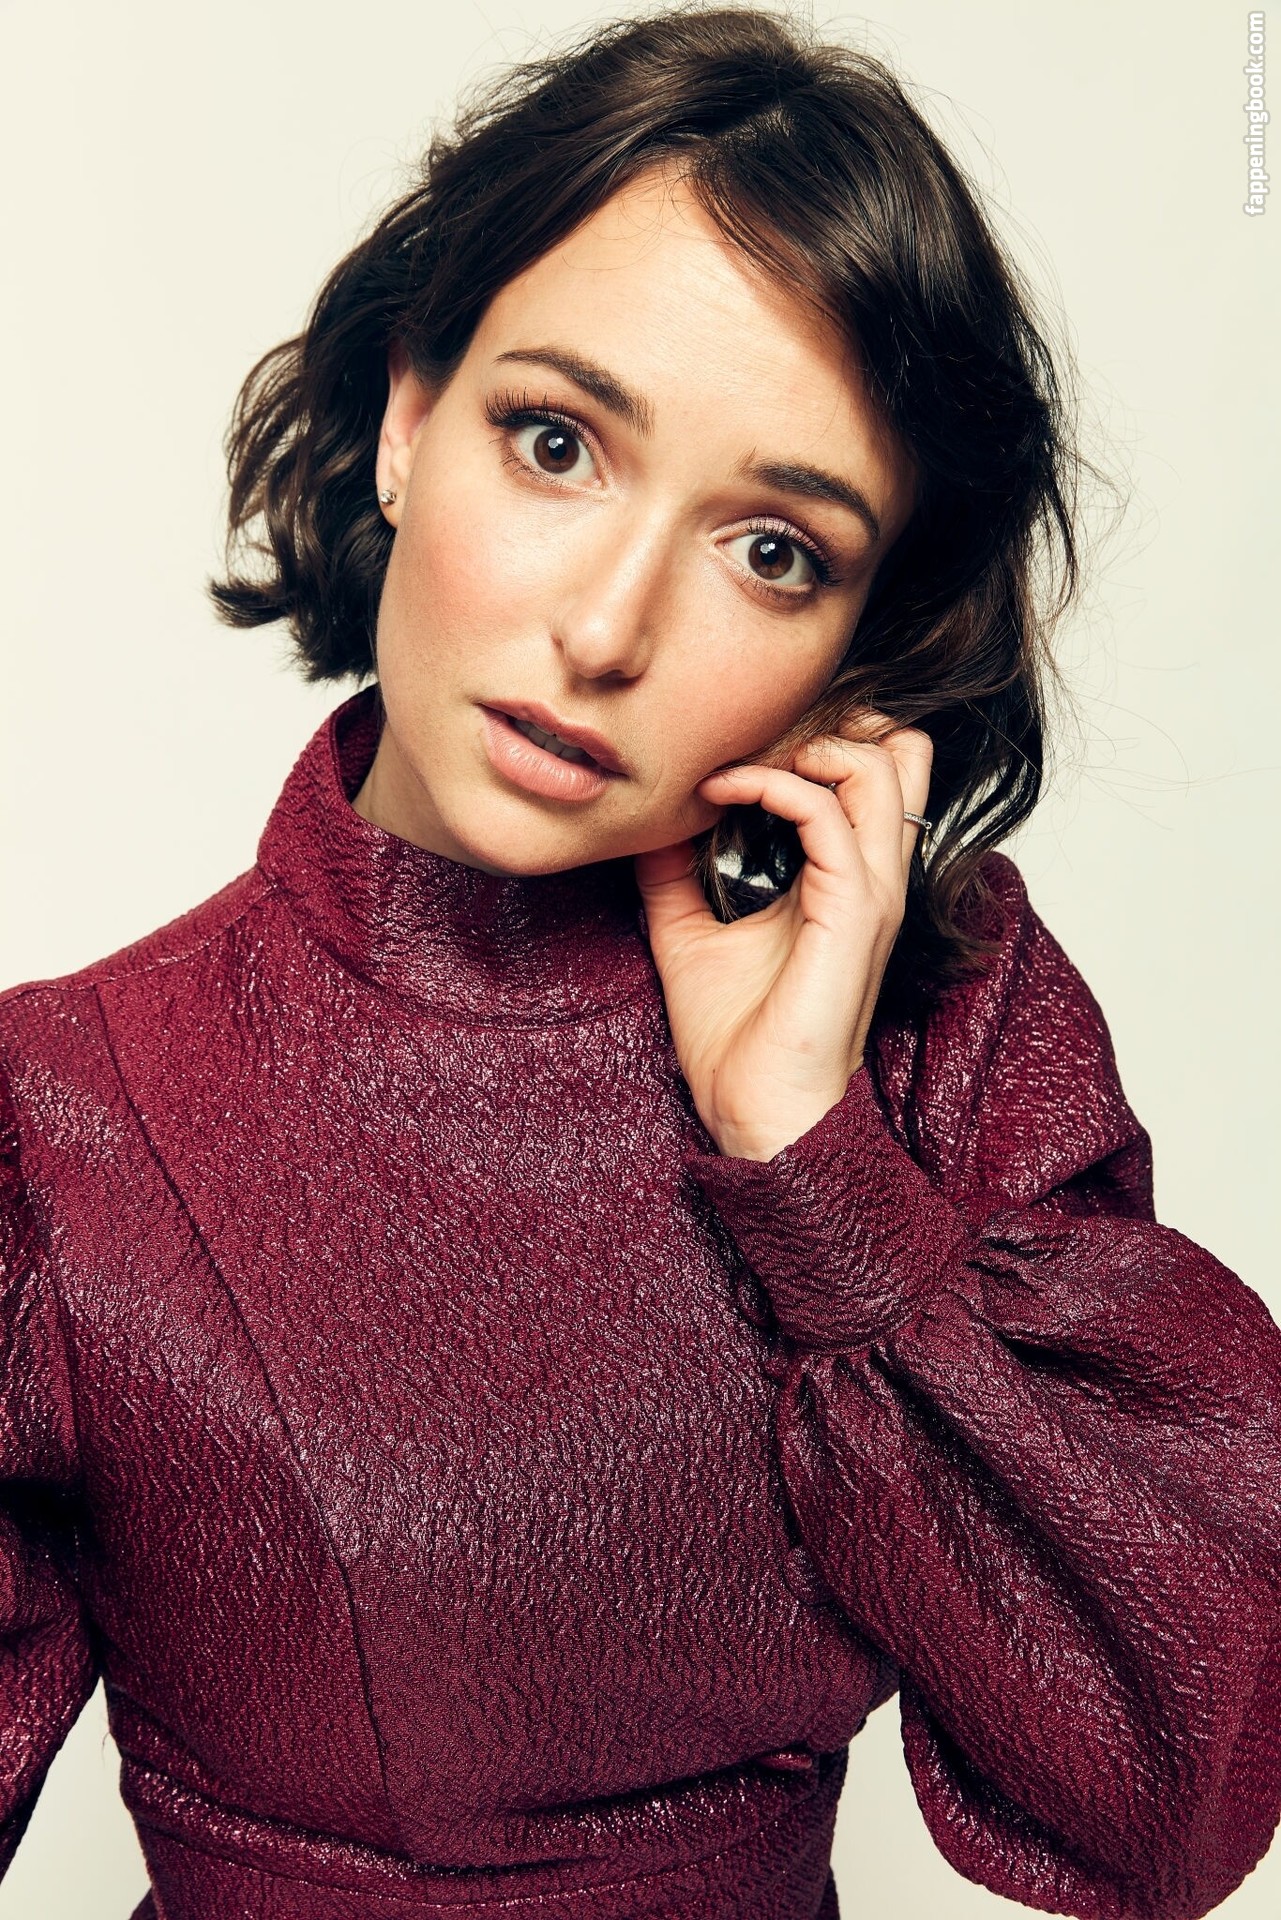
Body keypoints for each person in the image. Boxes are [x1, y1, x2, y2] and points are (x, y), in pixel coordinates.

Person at [2, 6, 1279, 1917]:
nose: (607, 628)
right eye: (556, 443)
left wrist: (816, 1175)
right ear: (407, 418)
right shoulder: (63, 1115)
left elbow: (1173, 1801)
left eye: (772, 549)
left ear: (863, 632)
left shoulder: (933, 1032)